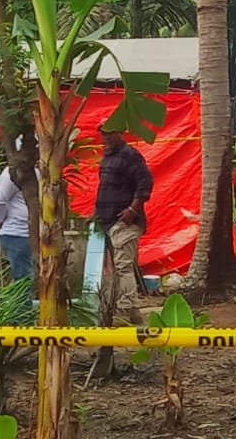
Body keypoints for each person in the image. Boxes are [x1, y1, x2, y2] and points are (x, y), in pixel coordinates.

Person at [95, 124, 154, 323]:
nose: (106, 137)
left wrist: (133, 210)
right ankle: (129, 312)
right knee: (116, 269)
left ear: (120, 133)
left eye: (110, 132)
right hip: (108, 221)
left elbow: (145, 183)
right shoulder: (108, 156)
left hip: (124, 222)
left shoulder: (130, 155)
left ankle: (126, 311)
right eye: (103, 133)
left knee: (123, 267)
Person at [0, 165, 36, 283]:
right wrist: (0, 220)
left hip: (39, 235)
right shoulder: (14, 172)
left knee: (28, 279)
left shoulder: (43, 170)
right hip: (18, 234)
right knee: (23, 282)